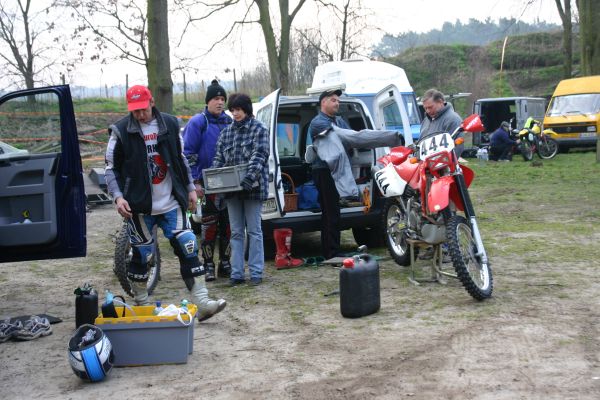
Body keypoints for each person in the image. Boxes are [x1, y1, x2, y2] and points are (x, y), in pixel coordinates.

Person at [105, 85, 226, 322]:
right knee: (142, 255)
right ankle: (143, 306)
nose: (140, 115)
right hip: (138, 205)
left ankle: (202, 303)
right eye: (135, 111)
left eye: (143, 109)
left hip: (171, 200)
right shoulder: (120, 131)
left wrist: (190, 188)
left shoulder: (170, 124)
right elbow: (110, 168)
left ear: (151, 102)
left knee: (188, 244)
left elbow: (181, 158)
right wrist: (118, 197)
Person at [307, 89, 404, 259]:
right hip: (324, 171)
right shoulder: (318, 123)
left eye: (338, 100)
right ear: (323, 102)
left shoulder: (339, 121)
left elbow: (353, 139)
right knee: (330, 212)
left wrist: (389, 138)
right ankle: (331, 253)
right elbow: (349, 137)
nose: (337, 103)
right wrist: (380, 137)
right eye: (333, 100)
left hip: (336, 171)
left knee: (334, 212)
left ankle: (333, 249)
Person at [212, 93, 270, 286]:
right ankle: (236, 274)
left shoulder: (259, 129)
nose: (235, 113)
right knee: (236, 232)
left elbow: (260, 154)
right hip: (231, 191)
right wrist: (213, 178)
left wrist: (250, 177)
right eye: (233, 110)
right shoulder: (226, 133)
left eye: (238, 109)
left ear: (246, 109)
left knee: (254, 231)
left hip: (253, 189)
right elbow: (218, 158)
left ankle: (256, 273)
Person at [183, 79, 233, 282]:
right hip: (206, 182)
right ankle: (208, 264)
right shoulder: (198, 122)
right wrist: (195, 182)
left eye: (222, 99)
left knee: (228, 224)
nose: (220, 102)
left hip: (229, 182)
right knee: (209, 224)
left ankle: (226, 263)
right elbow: (188, 154)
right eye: (215, 99)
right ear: (208, 101)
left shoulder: (229, 121)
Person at [420, 88, 463, 157]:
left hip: (442, 162)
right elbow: (421, 144)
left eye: (430, 107)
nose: (427, 111)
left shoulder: (453, 119)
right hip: (425, 162)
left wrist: (443, 162)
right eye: (425, 108)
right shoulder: (426, 121)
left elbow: (457, 147)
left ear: (440, 102)